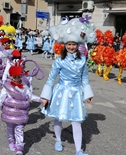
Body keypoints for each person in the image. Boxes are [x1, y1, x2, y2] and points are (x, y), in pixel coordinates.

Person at [40, 16, 95, 155]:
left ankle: (78, 150)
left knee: (76, 121)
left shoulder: (82, 59)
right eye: (69, 44)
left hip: (76, 92)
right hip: (61, 91)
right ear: (65, 45)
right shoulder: (60, 60)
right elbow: (51, 78)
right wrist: (45, 96)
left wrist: (88, 94)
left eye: (74, 44)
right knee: (58, 118)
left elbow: (85, 78)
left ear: (78, 45)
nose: (71, 47)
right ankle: (58, 140)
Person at [0, 65, 46, 155]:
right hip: (9, 113)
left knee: (19, 130)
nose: (17, 79)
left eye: (19, 77)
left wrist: (40, 99)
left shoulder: (24, 86)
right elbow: (0, 98)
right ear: (10, 76)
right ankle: (11, 141)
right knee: (10, 129)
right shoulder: (7, 87)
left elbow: (30, 96)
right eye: (15, 77)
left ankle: (19, 148)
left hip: (21, 113)